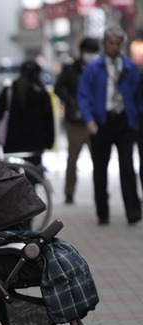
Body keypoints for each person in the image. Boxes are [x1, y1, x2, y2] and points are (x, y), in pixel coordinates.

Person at [77, 26, 142, 225]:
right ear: (104, 44)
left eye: (117, 43)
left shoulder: (130, 68)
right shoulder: (94, 68)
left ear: (122, 45)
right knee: (100, 169)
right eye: (111, 43)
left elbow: (138, 96)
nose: (114, 47)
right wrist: (88, 119)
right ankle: (102, 212)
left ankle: (133, 212)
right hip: (101, 122)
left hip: (124, 122)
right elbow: (82, 95)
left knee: (127, 167)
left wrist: (136, 120)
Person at [54, 37, 100, 204]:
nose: (90, 55)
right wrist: (71, 100)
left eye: (93, 52)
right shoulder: (71, 69)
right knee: (72, 160)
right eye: (88, 52)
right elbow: (58, 87)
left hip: (95, 120)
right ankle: (69, 193)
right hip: (75, 121)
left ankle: (100, 193)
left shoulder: (99, 68)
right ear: (82, 51)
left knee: (99, 160)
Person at [0, 60, 55, 181]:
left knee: (12, 180)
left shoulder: (10, 90)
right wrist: (49, 142)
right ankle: (29, 199)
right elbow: (49, 121)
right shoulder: (42, 93)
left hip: (12, 144)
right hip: (35, 145)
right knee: (32, 179)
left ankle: (14, 200)